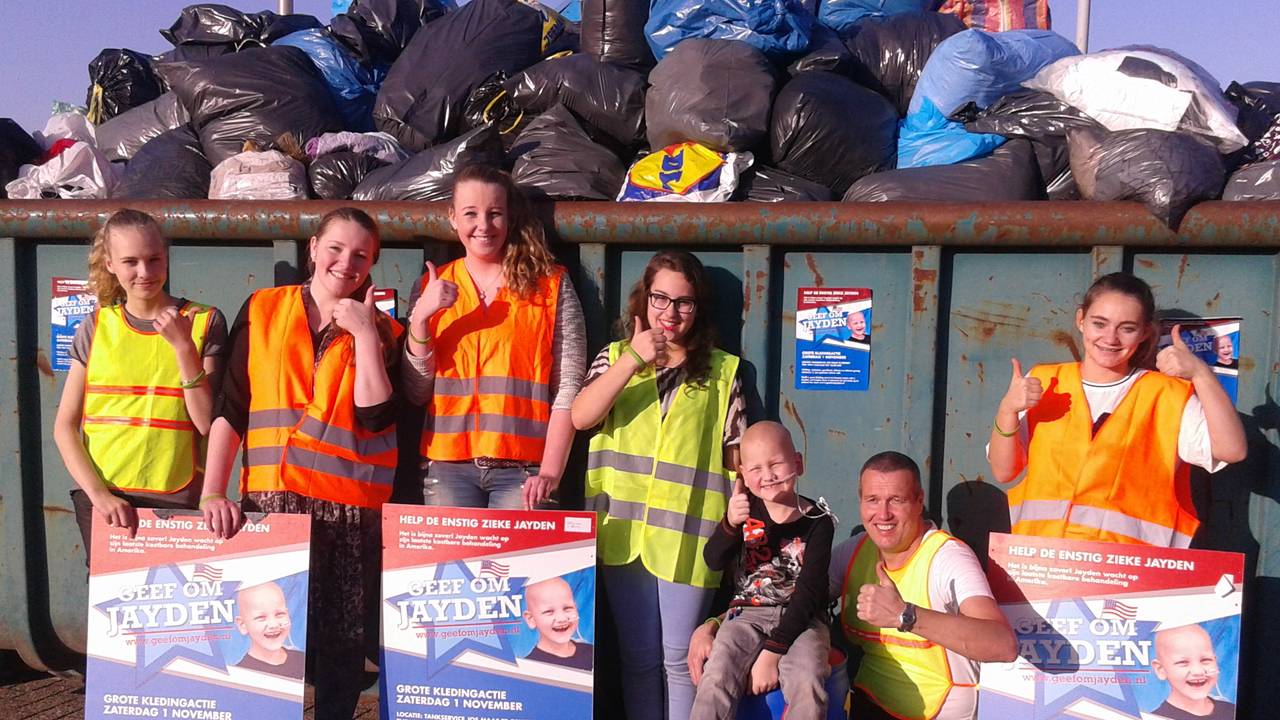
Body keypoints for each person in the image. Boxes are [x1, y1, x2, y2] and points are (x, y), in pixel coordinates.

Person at [199, 207, 403, 720]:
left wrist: (364, 334)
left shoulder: (383, 329)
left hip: (347, 510)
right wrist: (212, 490)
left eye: (361, 254)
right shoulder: (263, 309)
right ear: (313, 248)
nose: (345, 262)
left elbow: (376, 415)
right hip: (270, 505)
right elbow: (232, 406)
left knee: (340, 642)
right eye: (336, 247)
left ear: (373, 263)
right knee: (271, 634)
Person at [692, 452, 1017, 720]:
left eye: (897, 500)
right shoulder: (856, 550)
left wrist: (906, 616)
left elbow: (1002, 645)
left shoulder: (948, 558)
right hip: (867, 708)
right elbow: (794, 597)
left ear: (919, 501)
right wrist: (716, 624)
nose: (883, 514)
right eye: (873, 500)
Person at [572, 249, 747, 720]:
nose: (670, 313)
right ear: (643, 301)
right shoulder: (614, 359)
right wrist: (633, 358)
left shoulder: (722, 372)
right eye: (660, 299)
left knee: (679, 659)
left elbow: (737, 455)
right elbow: (581, 416)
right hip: (623, 533)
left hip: (689, 538)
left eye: (683, 303)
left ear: (699, 308)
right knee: (638, 660)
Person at [988, 272, 1247, 547]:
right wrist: (1007, 410)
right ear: (1081, 320)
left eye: (1127, 328)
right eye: (1100, 323)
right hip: (1043, 571)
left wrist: (1201, 374)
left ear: (1146, 332)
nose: (1110, 338)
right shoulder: (1045, 381)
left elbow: (1232, 450)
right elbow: (1004, 471)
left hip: (1131, 581)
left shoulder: (1166, 396)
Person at [403, 164, 585, 510]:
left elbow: (568, 385)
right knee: (449, 567)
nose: (483, 226)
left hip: (525, 473)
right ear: (453, 217)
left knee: (520, 567)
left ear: (510, 216)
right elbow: (415, 390)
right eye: (471, 213)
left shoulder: (550, 284)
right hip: (447, 466)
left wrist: (550, 471)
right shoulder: (430, 287)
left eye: (495, 213)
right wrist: (422, 318)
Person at [54, 208, 225, 563]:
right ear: (110, 264)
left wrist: (183, 347)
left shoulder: (204, 321)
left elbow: (208, 423)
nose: (144, 272)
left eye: (154, 259)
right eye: (130, 261)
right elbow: (64, 427)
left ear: (167, 258)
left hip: (174, 495)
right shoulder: (96, 325)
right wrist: (99, 496)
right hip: (105, 496)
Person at [690, 422, 835, 720]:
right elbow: (713, 560)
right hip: (746, 614)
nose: (767, 476)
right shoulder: (744, 513)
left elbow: (808, 594)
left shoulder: (818, 521)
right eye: (755, 469)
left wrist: (772, 653)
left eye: (776, 464)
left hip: (802, 620)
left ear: (798, 463)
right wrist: (730, 523)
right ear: (742, 474)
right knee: (717, 674)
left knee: (807, 679)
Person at [1150, 623, 1234, 720]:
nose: (1198, 671)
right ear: (1160, 669)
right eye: (1183, 662)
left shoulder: (1232, 710)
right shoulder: (1154, 718)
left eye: (1205, 660)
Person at [234, 582, 305, 679]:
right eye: (261, 617)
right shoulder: (239, 677)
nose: (273, 624)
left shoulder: (302, 661)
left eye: (280, 614)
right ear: (243, 625)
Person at [521, 577, 593, 671]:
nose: (562, 618)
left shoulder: (591, 653)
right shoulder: (529, 668)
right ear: (531, 619)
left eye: (567, 608)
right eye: (549, 611)